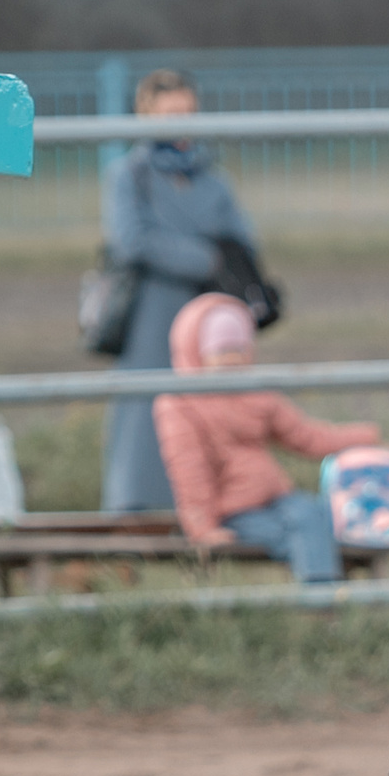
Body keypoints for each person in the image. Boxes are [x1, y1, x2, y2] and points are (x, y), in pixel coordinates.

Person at [100, 69, 259, 511]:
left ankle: (207, 509)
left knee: (212, 409)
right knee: (145, 413)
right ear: (145, 116)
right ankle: (134, 513)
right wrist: (204, 259)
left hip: (207, 314)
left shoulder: (213, 178)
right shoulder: (128, 176)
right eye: (171, 114)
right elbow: (130, 240)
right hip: (152, 310)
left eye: (189, 112)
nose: (182, 123)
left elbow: (241, 237)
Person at [152, 292, 380, 582]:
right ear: (197, 350)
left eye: (239, 349)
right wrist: (203, 529)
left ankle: (326, 591)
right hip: (233, 510)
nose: (232, 360)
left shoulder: (256, 393)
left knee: (314, 513)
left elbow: (306, 436)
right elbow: (189, 470)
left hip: (276, 499)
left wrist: (366, 437)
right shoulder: (180, 404)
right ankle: (325, 600)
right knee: (304, 529)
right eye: (221, 350)